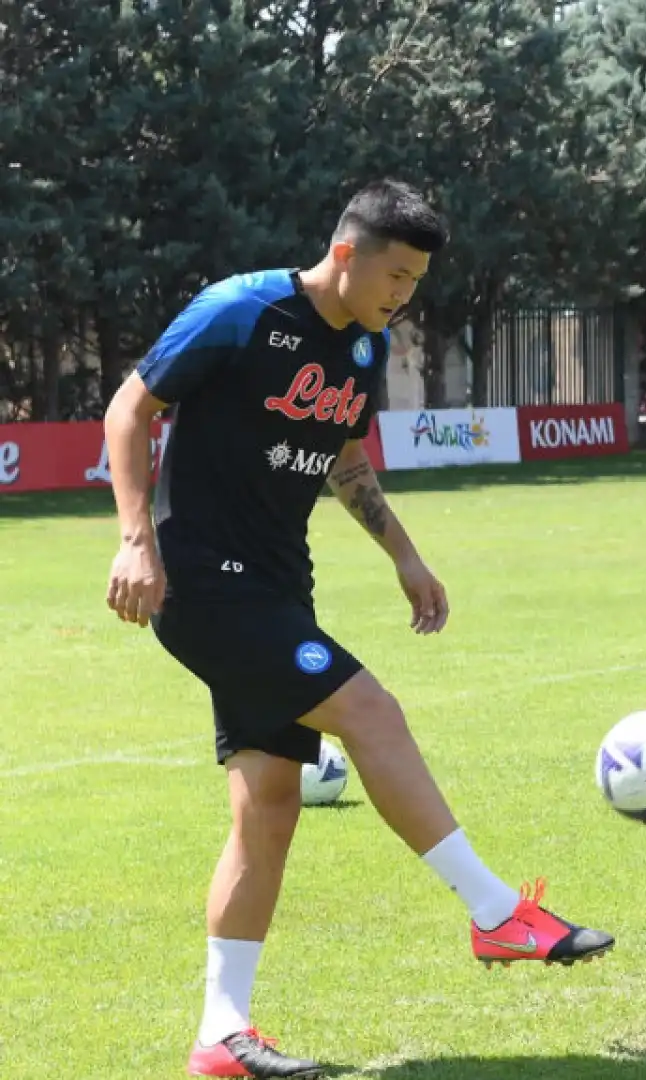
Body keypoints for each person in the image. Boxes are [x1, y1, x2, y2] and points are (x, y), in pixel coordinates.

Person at [103, 180, 614, 1079]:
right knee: (371, 711)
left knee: (269, 807)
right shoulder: (241, 310)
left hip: (276, 589)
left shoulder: (366, 348)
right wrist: (136, 542)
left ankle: (221, 1036)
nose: (404, 296)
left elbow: (344, 459)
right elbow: (129, 409)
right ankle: (496, 914)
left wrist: (404, 556)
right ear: (347, 252)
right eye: (397, 275)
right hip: (202, 583)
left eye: (417, 283)